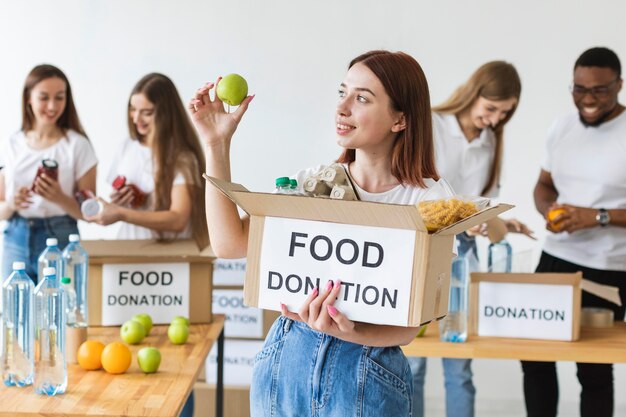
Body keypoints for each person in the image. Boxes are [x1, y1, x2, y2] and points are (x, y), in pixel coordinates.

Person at [190, 50, 441, 416]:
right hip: (286, 364)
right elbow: (228, 245)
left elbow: (408, 328)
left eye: (362, 98)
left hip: (366, 376)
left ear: (400, 119)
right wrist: (216, 144)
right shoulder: (316, 186)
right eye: (343, 92)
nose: (342, 108)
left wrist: (348, 331)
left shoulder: (429, 204)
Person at [408, 60, 532, 417]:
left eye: (504, 114)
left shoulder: (491, 141)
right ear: (473, 93)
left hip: (461, 254)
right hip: (423, 246)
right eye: (491, 109)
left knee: (459, 362)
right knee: (413, 361)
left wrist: (499, 223)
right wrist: (463, 216)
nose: (494, 120)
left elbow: (485, 201)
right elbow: (413, 189)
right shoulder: (430, 125)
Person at [86, 73, 208, 417]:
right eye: (133, 110)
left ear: (165, 113)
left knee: (173, 359)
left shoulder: (181, 157)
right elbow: (118, 199)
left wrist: (122, 212)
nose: (136, 120)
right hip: (129, 262)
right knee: (125, 356)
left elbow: (178, 218)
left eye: (147, 112)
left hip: (167, 270)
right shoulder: (126, 148)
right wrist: (121, 202)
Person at [524, 46, 626, 417]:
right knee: (534, 354)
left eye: (598, 90)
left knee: (594, 366)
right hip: (555, 257)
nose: (588, 99)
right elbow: (543, 185)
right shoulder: (562, 128)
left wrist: (596, 217)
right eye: (579, 89)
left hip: (610, 267)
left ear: (619, 84)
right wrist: (549, 209)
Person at [0, 64, 97, 282]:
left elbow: (91, 213)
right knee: (15, 312)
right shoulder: (11, 145)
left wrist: (59, 198)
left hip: (61, 236)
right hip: (15, 236)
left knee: (60, 311)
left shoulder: (77, 145)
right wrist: (12, 204)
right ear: (29, 98)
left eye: (59, 97)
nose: (52, 106)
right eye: (44, 97)